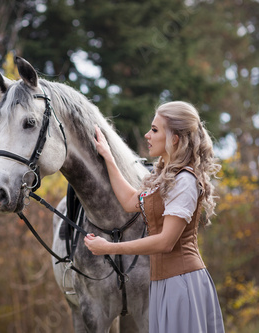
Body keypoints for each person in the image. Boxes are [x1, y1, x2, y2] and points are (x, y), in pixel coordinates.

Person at [84, 101, 225, 333]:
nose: (147, 135)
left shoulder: (185, 180)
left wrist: (110, 247)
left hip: (183, 284)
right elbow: (130, 201)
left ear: (175, 138)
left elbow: (165, 242)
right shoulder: (165, 178)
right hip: (162, 284)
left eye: (155, 130)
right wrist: (108, 156)